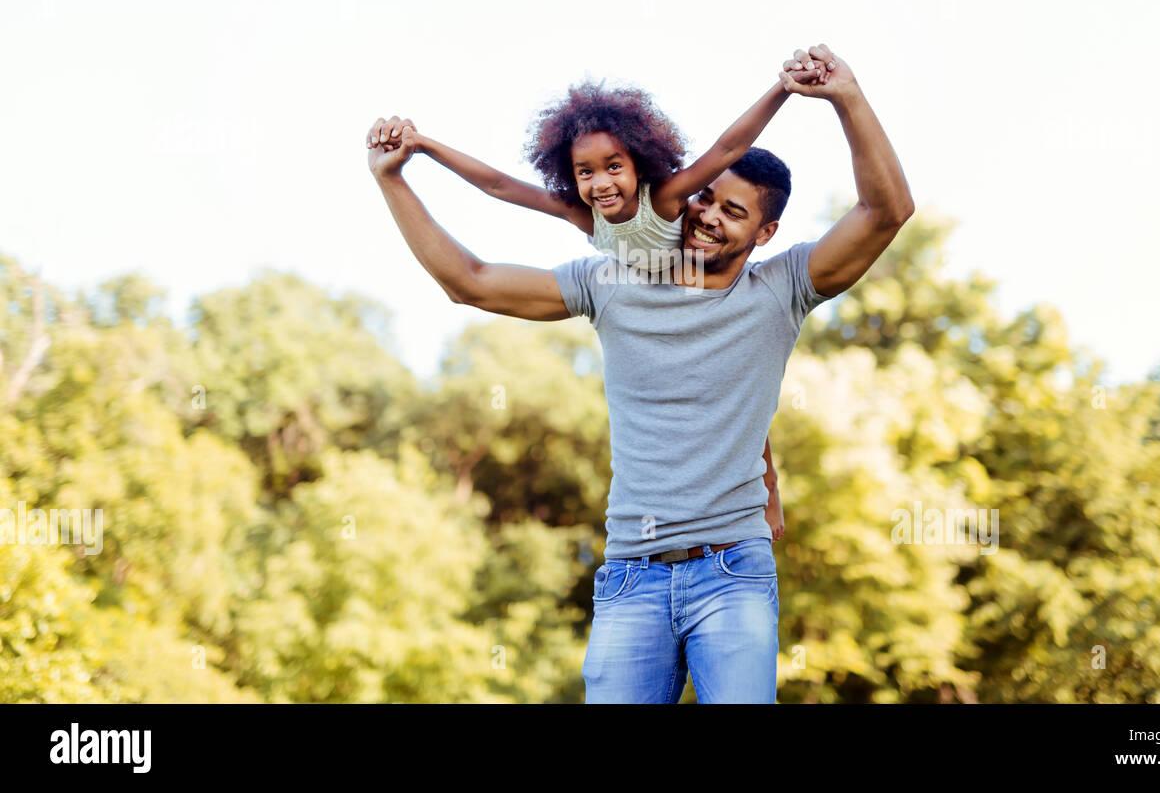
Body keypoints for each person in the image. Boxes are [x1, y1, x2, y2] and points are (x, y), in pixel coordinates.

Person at [366, 43, 914, 703]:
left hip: (733, 571)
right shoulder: (610, 278)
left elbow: (885, 212)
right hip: (631, 576)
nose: (709, 216)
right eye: (706, 200)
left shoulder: (784, 287)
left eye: (734, 212)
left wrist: (846, 97)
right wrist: (393, 178)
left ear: (766, 233)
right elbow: (470, 282)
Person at [371, 69, 827, 540]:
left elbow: (728, 148)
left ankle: (766, 488)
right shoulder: (585, 216)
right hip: (653, 289)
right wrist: (424, 148)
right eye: (584, 172)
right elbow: (499, 187)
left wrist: (782, 89)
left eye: (614, 166)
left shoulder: (667, 200)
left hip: (696, 275)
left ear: (641, 165)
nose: (600, 182)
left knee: (729, 381)